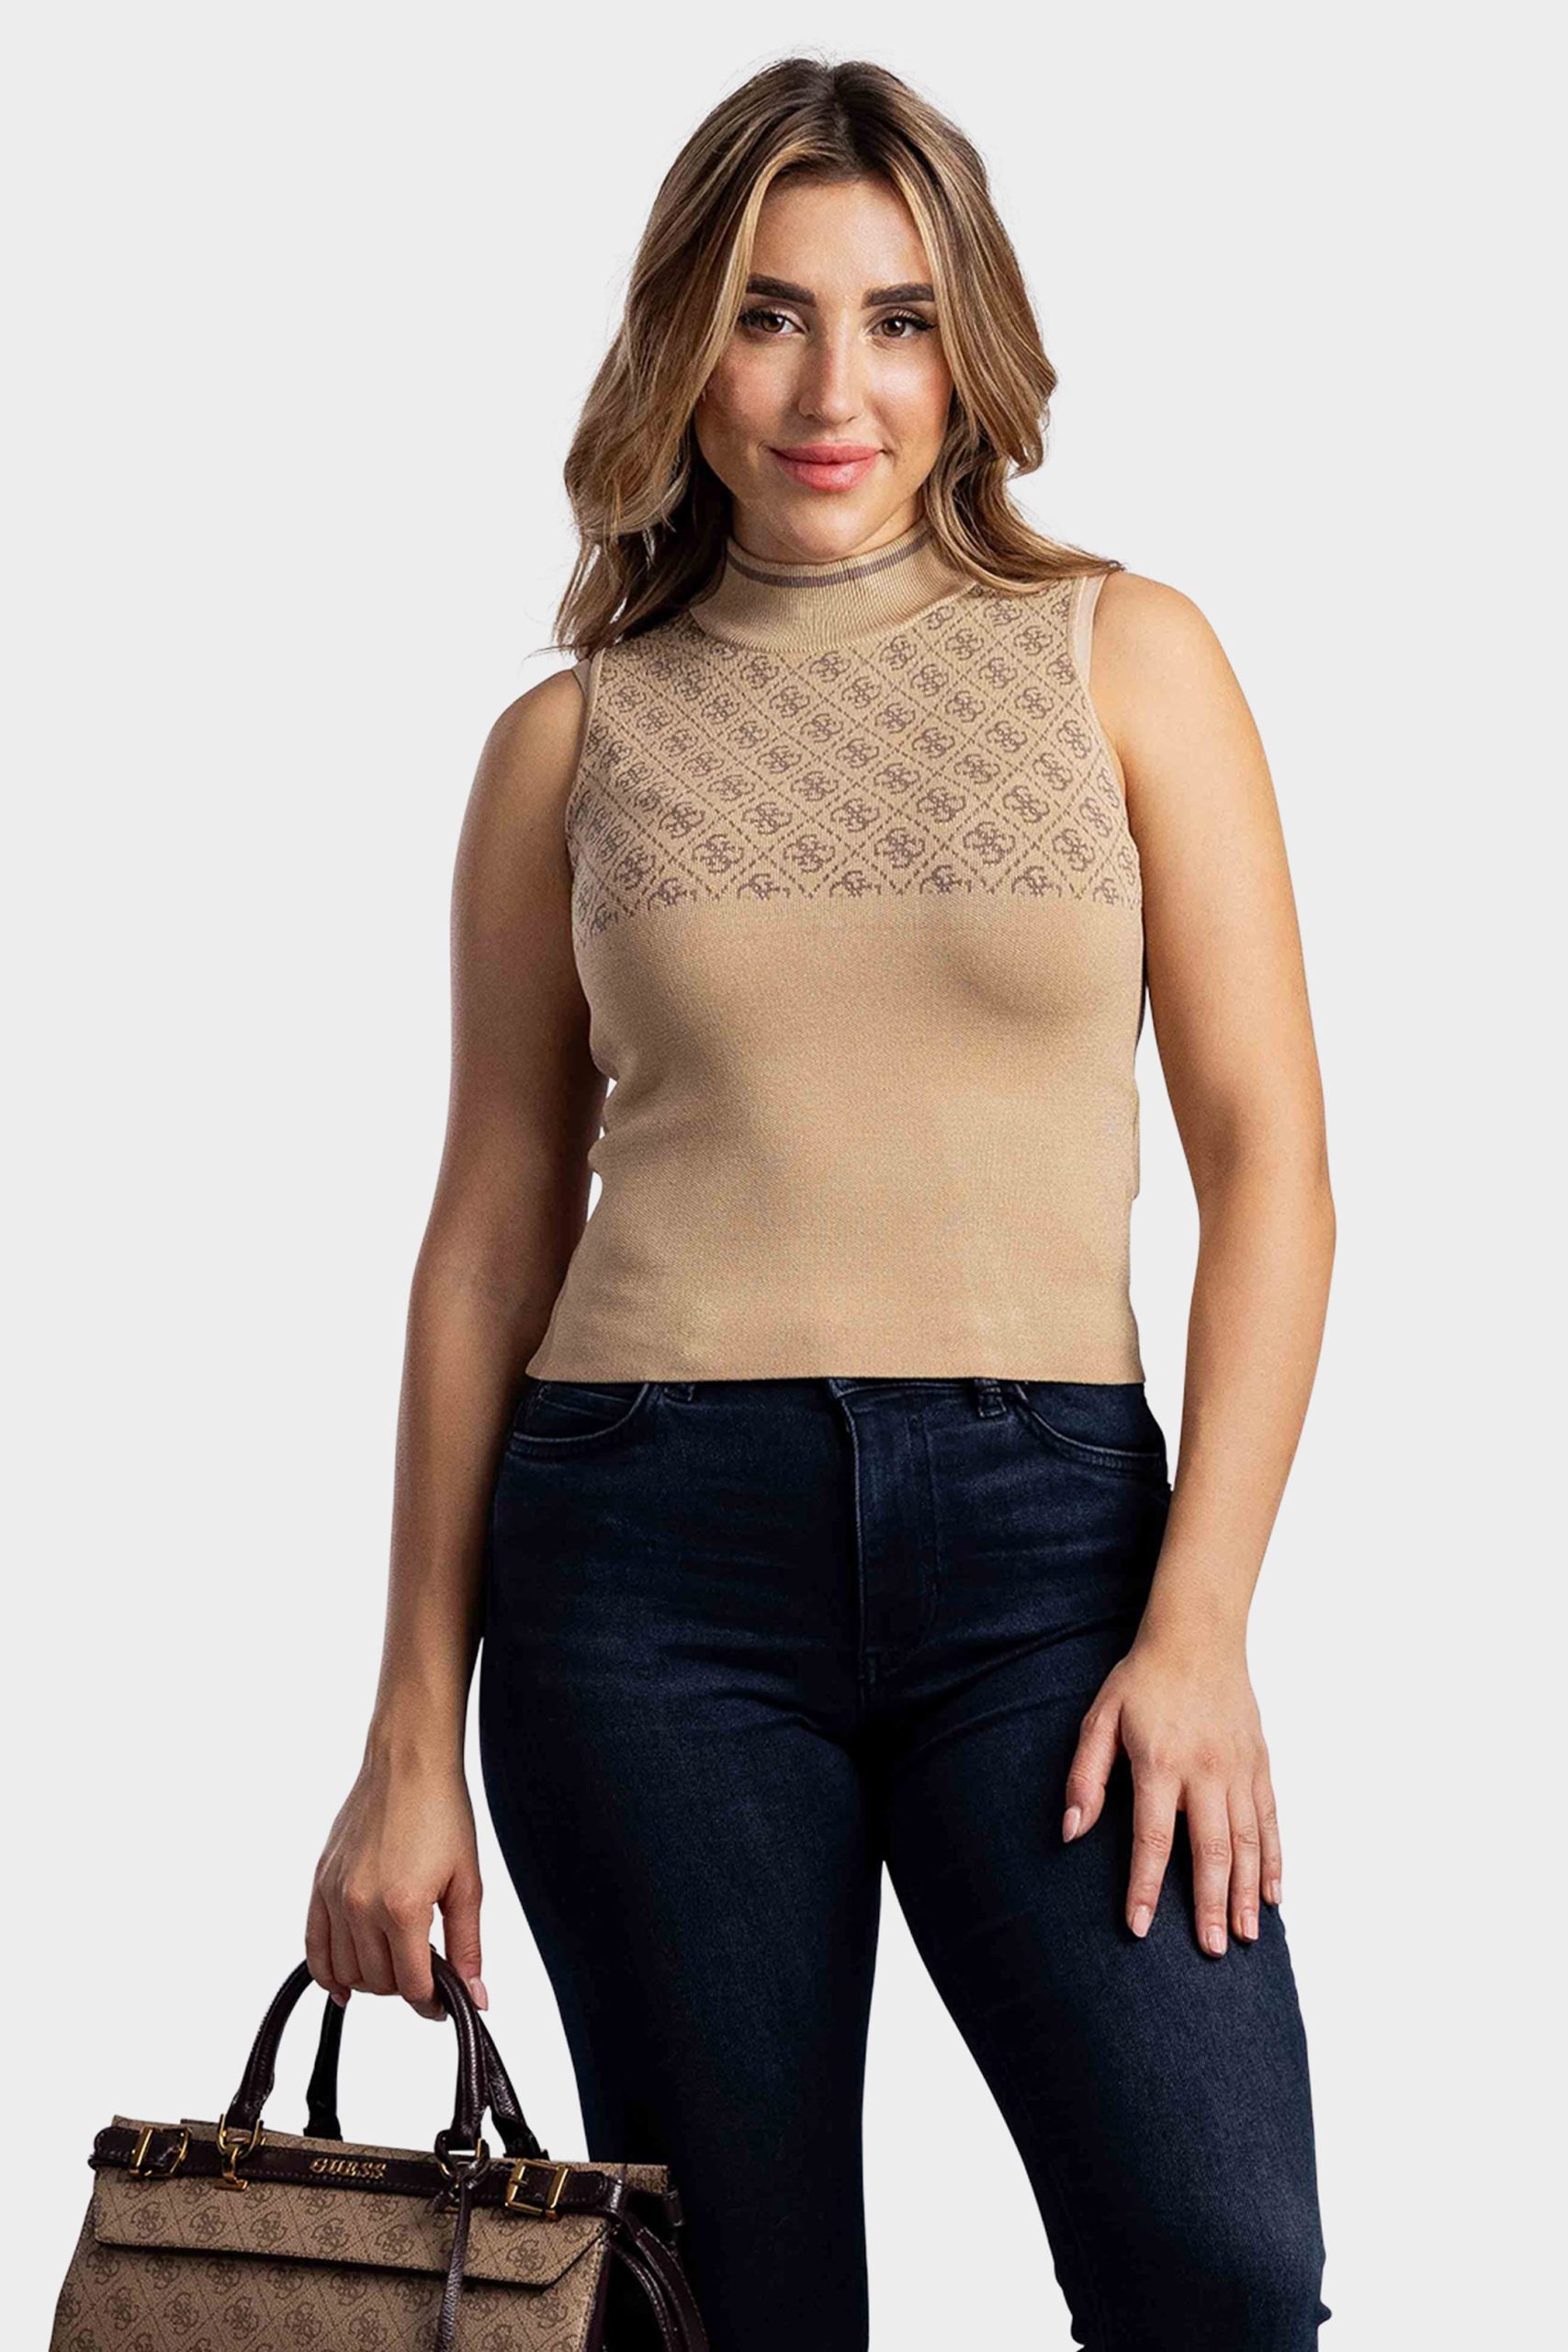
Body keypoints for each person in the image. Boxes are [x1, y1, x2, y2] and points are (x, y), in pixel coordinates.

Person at [307, 55, 1335, 2352]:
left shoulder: (1124, 656)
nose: (828, 388)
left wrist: (1197, 1623)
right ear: (685, 348)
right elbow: (489, 1233)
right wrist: (404, 1735)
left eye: (893, 318)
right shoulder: (568, 743)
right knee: (737, 2315)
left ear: (967, 350)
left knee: (1215, 2259)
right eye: (766, 316)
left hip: (1050, 1560)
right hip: (641, 1572)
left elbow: (1270, 1164)